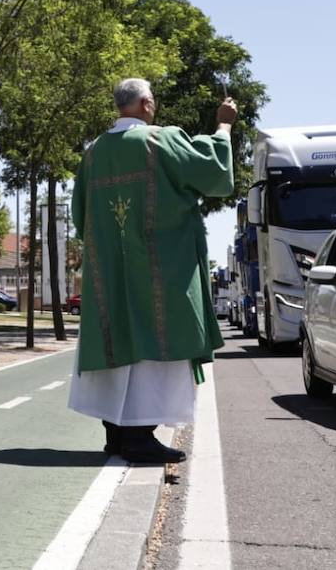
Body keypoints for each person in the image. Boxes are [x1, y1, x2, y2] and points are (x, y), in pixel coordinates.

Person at [67, 77, 236, 465]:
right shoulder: (161, 140)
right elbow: (210, 172)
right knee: (155, 343)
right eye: (153, 100)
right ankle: (140, 436)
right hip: (162, 268)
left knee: (118, 343)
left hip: (110, 271)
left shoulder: (92, 155)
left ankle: (116, 433)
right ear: (145, 104)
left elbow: (81, 215)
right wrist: (224, 125)